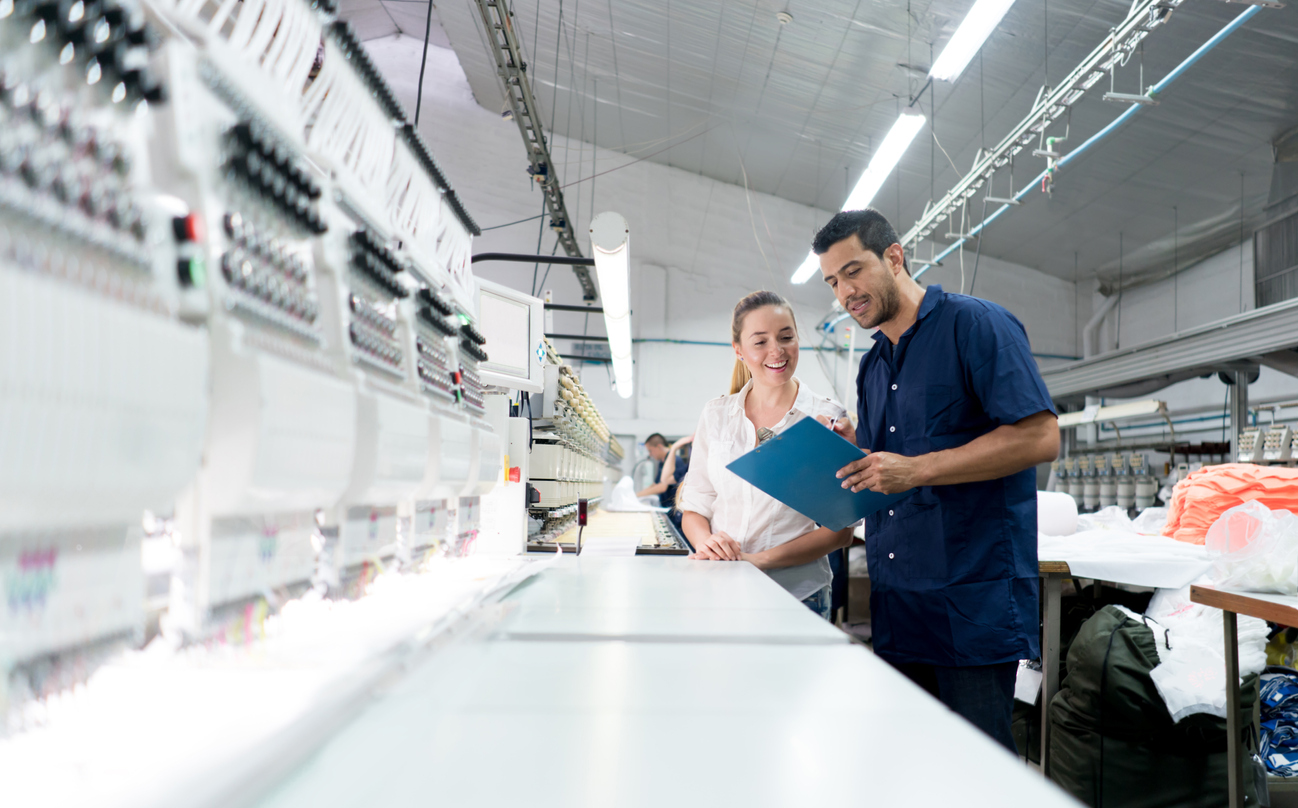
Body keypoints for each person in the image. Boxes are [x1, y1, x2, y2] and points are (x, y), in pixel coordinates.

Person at [812, 208, 1059, 752]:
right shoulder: (873, 364)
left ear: (894, 257)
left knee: (977, 771)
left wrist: (918, 469)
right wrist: (837, 455)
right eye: (833, 281)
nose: (844, 292)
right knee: (909, 766)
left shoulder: (976, 325)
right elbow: (883, 466)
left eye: (853, 271)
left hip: (970, 604)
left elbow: (1039, 438)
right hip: (899, 604)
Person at [676, 291, 855, 619]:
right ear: (739, 350)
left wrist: (757, 561)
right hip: (721, 587)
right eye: (760, 342)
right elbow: (695, 506)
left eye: (786, 337)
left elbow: (840, 531)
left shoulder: (825, 418)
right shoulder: (716, 415)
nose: (777, 350)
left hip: (799, 595)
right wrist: (707, 544)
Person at [637, 433, 692, 532]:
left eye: (650, 451)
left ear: (659, 447)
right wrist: (638, 495)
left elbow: (663, 486)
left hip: (673, 511)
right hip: (665, 509)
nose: (650, 454)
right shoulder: (662, 462)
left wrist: (636, 495)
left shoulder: (675, 460)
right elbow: (655, 484)